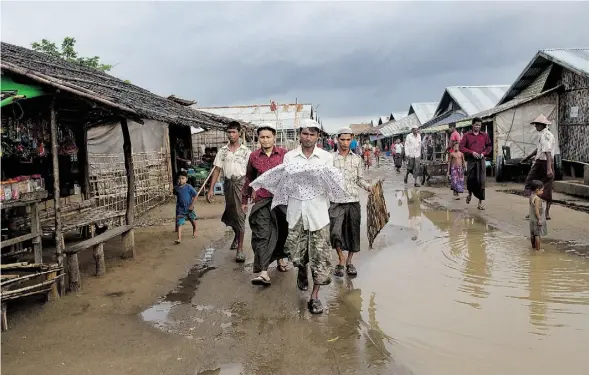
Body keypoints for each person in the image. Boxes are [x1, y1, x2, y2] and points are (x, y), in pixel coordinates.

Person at [254, 119, 344, 314]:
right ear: (299, 134)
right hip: (296, 213)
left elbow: (332, 184)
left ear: (318, 136)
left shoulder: (326, 158)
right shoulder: (290, 158)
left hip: (319, 214)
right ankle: (302, 272)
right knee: (297, 253)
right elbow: (285, 183)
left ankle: (315, 297)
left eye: (312, 134)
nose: (308, 137)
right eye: (305, 133)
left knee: (320, 256)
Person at [242, 124, 289, 286]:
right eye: (262, 137)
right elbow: (249, 178)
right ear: (258, 139)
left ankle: (281, 258)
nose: (265, 140)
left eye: (268, 137)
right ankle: (263, 272)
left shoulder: (284, 154)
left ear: (274, 138)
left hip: (281, 200)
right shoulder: (254, 156)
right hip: (262, 200)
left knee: (282, 232)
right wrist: (244, 200)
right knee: (262, 233)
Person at [207, 121, 252, 262]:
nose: (231, 135)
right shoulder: (223, 151)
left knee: (240, 215)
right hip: (228, 185)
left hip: (241, 185)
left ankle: (240, 249)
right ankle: (237, 236)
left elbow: (251, 173)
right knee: (231, 213)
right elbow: (217, 170)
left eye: (234, 132)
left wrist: (252, 189)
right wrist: (211, 188)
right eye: (229, 132)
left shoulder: (246, 152)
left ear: (239, 133)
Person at [330, 128, 372, 278]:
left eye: (348, 140)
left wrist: (368, 187)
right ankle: (340, 258)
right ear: (337, 139)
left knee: (353, 232)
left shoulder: (357, 159)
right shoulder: (330, 158)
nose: (345, 143)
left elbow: (359, 179)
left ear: (352, 139)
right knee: (335, 232)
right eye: (342, 139)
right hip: (336, 201)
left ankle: (349, 262)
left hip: (353, 200)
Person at [523, 114, 556, 220]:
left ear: (542, 125)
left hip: (544, 163)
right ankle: (535, 210)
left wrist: (549, 168)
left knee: (542, 186)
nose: (536, 127)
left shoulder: (546, 135)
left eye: (537, 125)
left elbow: (547, 152)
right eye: (535, 124)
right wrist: (528, 157)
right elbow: (539, 149)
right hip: (541, 162)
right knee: (536, 186)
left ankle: (545, 212)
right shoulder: (542, 135)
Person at [459, 117, 492, 210]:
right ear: (472, 125)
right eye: (476, 125)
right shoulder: (466, 135)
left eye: (479, 125)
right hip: (471, 161)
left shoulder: (484, 135)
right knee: (470, 180)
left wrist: (483, 153)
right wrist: (471, 152)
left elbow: (489, 146)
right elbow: (461, 147)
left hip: (481, 161)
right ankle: (469, 194)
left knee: (481, 181)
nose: (478, 127)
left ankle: (480, 203)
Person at [173, 170, 197, 244]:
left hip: (189, 208)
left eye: (183, 178)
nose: (181, 180)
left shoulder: (189, 187)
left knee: (192, 220)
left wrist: (192, 205)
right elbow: (175, 193)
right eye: (179, 178)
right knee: (180, 223)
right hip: (180, 209)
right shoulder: (176, 188)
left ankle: (195, 229)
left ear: (186, 179)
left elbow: (195, 195)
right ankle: (179, 238)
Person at [528, 180, 547, 251]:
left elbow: (532, 207)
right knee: (537, 235)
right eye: (542, 190)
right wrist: (539, 219)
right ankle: (538, 249)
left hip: (531, 219)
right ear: (537, 190)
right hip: (536, 219)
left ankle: (533, 247)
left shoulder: (531, 197)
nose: (543, 192)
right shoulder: (538, 199)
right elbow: (537, 211)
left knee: (532, 234)